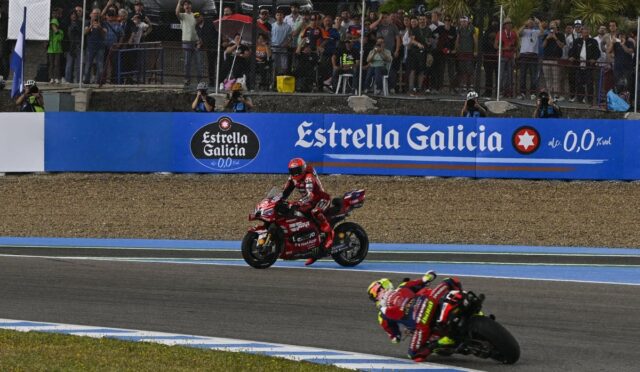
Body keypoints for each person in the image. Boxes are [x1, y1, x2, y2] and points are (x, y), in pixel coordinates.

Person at [367, 270, 464, 362]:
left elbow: (395, 338)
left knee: (413, 354)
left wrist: (396, 336)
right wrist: (430, 276)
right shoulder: (403, 286)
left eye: (377, 292)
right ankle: (462, 300)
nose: (379, 294)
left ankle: (439, 343)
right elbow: (424, 280)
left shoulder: (382, 314)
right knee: (449, 281)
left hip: (421, 322)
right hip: (431, 300)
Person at [282, 157, 333, 266]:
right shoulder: (292, 178)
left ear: (303, 168)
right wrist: (278, 201)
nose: (295, 173)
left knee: (315, 212)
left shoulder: (308, 177)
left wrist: (297, 202)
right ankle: (313, 250)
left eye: (297, 170)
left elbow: (310, 195)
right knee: (299, 217)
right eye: (292, 171)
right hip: (309, 202)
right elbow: (285, 192)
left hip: (321, 199)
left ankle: (330, 235)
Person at [175, 0, 201, 87]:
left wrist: (199, 40)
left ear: (191, 6)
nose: (187, 6)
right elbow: (177, 13)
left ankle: (199, 81)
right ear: (183, 7)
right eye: (185, 5)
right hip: (186, 41)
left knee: (198, 62)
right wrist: (179, 2)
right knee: (187, 63)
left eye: (189, 4)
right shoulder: (183, 16)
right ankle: (187, 80)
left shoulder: (195, 15)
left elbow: (199, 28)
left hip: (196, 42)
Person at [47, 18, 64, 84]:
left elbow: (60, 38)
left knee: (57, 64)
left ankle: (57, 78)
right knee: (51, 65)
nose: (53, 26)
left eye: (54, 25)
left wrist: (56, 32)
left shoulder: (60, 31)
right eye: (52, 25)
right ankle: (51, 78)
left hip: (58, 50)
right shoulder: (49, 32)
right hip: (50, 50)